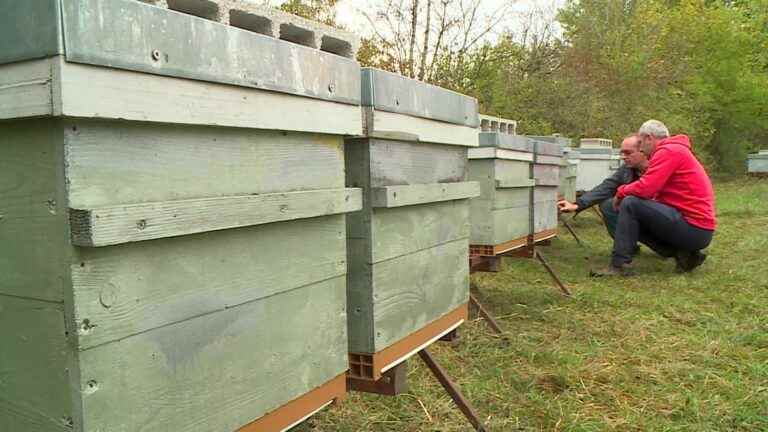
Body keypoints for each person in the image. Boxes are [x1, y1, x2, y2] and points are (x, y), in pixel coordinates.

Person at [591, 119, 716, 276]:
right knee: (633, 211)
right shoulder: (674, 151)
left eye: (641, 142)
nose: (641, 148)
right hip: (696, 227)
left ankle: (620, 265)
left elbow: (645, 189)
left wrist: (621, 192)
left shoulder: (669, 152)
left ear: (649, 138)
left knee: (631, 203)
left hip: (694, 227)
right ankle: (685, 255)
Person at [558, 134, 649, 237]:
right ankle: (624, 244)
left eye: (628, 153)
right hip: (639, 212)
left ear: (643, 151)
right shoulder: (626, 169)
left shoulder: (659, 168)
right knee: (608, 205)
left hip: (660, 216)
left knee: (628, 202)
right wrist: (578, 204)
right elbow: (607, 187)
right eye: (622, 153)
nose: (623, 157)